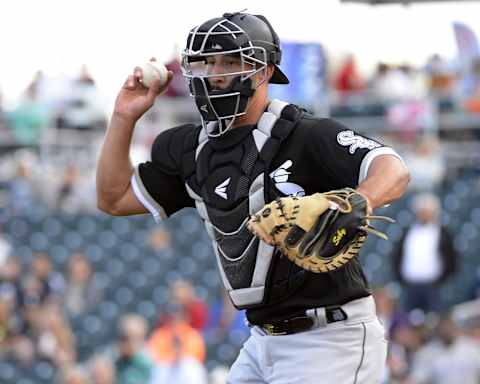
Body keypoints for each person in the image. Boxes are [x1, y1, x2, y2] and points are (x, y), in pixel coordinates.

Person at [97, 12, 410, 383]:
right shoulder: (189, 149)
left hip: (329, 339)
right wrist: (123, 116)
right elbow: (113, 198)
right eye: (206, 62)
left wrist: (354, 202)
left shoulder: (306, 134)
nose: (216, 72)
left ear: (263, 71)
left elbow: (393, 169)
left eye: (230, 61)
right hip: (261, 340)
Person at [392, 193, 457, 313]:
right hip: (410, 285)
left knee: (434, 319)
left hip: (434, 286)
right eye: (421, 211)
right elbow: (397, 256)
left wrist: (442, 280)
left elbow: (451, 258)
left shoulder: (443, 233)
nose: (424, 214)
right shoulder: (408, 231)